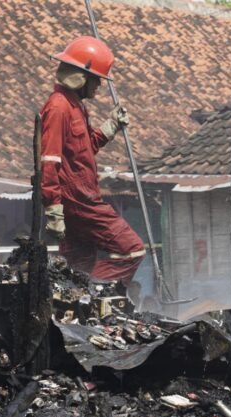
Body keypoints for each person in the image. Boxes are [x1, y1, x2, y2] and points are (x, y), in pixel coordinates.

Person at [41, 36, 145, 288]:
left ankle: (74, 298)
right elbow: (49, 161)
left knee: (79, 263)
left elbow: (85, 150)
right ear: (81, 77)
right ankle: (94, 288)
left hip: (81, 197)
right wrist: (53, 208)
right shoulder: (58, 107)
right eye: (96, 78)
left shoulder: (75, 106)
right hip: (78, 201)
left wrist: (111, 126)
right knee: (132, 250)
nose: (99, 85)